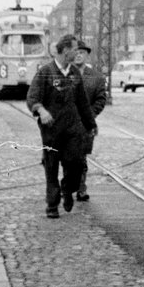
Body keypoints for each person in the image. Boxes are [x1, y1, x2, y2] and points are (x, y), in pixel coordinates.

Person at [26, 34, 95, 218]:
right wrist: (41, 110)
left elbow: (83, 103)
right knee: (51, 166)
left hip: (72, 130)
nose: (77, 52)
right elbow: (32, 98)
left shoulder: (74, 74)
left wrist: (90, 125)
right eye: (75, 49)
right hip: (51, 131)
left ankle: (67, 188)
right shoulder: (45, 72)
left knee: (76, 164)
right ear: (65, 51)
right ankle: (52, 205)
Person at [73, 41, 108, 201]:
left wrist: (89, 115)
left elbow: (100, 100)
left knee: (81, 157)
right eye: (76, 52)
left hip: (85, 125)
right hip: (65, 124)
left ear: (87, 55)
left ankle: (81, 188)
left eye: (82, 52)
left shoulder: (96, 77)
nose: (78, 55)